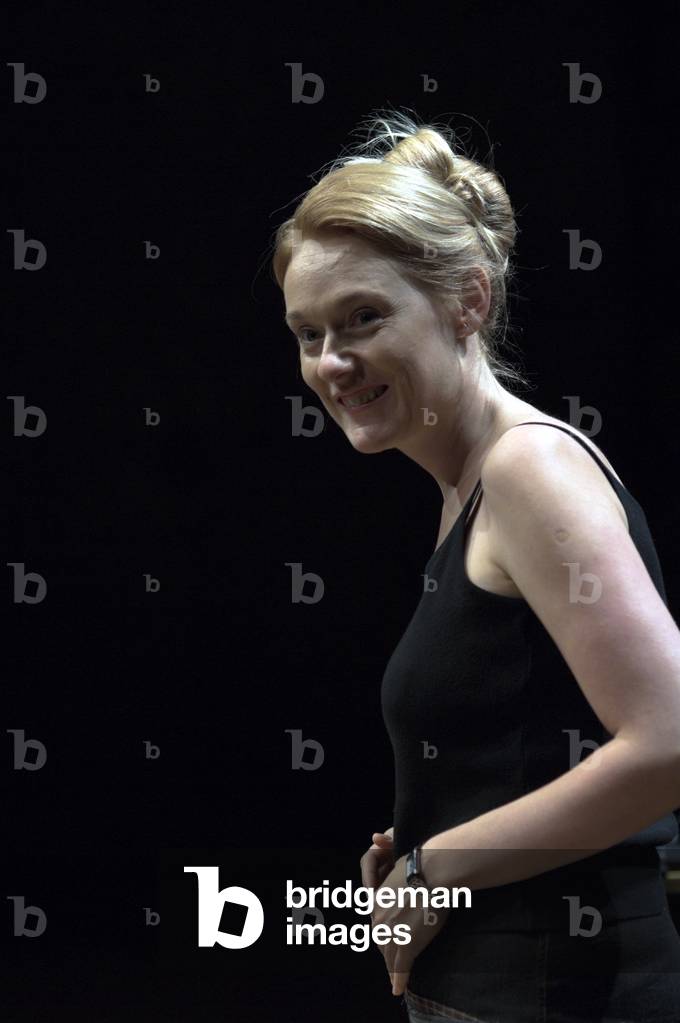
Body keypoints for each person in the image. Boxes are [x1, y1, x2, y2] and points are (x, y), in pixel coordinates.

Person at [271, 107, 680, 1022]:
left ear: (469, 300)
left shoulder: (527, 468)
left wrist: (436, 868)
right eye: (307, 333)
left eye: (363, 318)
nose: (333, 362)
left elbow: (669, 742)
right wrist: (433, 833)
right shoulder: (466, 486)